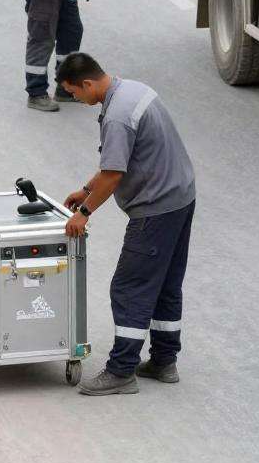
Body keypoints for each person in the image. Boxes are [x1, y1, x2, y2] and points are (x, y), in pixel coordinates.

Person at [57, 52, 196, 397]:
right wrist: (86, 189)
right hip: (181, 197)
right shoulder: (134, 91)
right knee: (165, 283)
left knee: (129, 287)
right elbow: (116, 164)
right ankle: (164, 360)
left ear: (88, 84)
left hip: (155, 209)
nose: (77, 99)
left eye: (75, 92)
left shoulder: (117, 116)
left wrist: (83, 212)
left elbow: (114, 174)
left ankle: (121, 371)